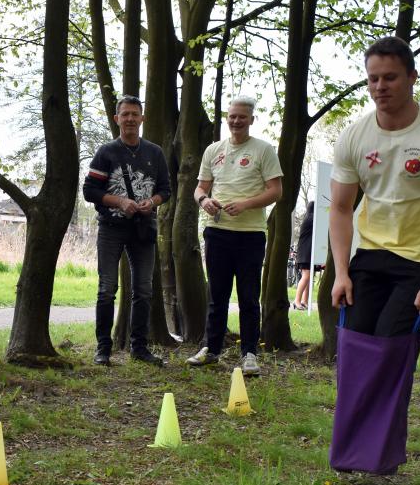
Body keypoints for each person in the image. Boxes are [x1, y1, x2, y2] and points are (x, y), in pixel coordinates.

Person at [328, 36, 420, 475]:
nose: (380, 87)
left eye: (390, 77)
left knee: (392, 352)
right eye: (373, 79)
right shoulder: (354, 136)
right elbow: (340, 208)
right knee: (355, 351)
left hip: (419, 262)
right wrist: (341, 273)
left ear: (412, 77)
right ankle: (351, 453)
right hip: (370, 256)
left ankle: (378, 456)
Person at [187, 96, 283, 376]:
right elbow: (200, 188)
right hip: (217, 232)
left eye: (242, 116)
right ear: (226, 118)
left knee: (249, 297)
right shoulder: (213, 150)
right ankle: (211, 350)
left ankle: (250, 354)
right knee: (216, 295)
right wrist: (204, 200)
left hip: (250, 234)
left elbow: (276, 191)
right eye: (232, 116)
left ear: (251, 119)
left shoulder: (264, 150)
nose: (236, 121)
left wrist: (245, 204)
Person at [82, 95, 170, 366]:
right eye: (125, 114)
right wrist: (120, 201)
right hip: (111, 228)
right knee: (107, 288)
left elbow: (165, 190)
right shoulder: (106, 152)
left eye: (135, 114)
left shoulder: (155, 153)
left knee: (143, 290)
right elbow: (90, 191)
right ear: (116, 118)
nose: (130, 119)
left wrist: (151, 202)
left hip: (143, 229)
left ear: (142, 118)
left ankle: (139, 348)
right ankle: (103, 349)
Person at [293, 199, 315, 310]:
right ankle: (297, 301)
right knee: (306, 276)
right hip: (305, 253)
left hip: (306, 252)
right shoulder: (311, 219)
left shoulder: (308, 218)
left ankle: (304, 301)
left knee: (308, 277)